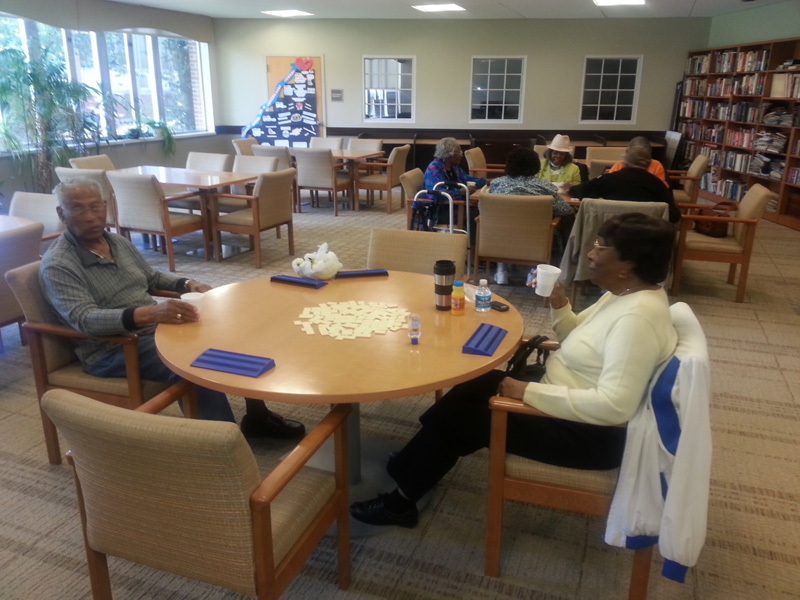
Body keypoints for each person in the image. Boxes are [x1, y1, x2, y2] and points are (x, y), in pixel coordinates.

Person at [350, 213, 677, 528]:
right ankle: (415, 460)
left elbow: (615, 405)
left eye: (600, 248)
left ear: (627, 266)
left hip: (586, 434)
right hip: (565, 401)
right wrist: (560, 303)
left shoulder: (637, 319)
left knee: (460, 420)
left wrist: (527, 392)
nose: (590, 254)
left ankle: (399, 504)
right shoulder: (625, 294)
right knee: (473, 381)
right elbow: (580, 343)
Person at [39, 178, 305, 439]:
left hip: (153, 329)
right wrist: (150, 314)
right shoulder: (59, 263)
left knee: (234, 333)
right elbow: (84, 320)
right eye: (79, 208)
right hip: (113, 348)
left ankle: (257, 418)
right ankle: (221, 449)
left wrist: (189, 284)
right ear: (61, 213)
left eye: (96, 207)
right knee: (196, 363)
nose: (91, 216)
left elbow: (151, 278)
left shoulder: (115, 241)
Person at [487, 147, 575, 284]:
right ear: (536, 165)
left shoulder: (496, 184)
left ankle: (501, 271)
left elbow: (486, 209)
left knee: (500, 225)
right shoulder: (545, 187)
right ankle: (534, 272)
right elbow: (565, 210)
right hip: (536, 239)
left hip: (499, 238)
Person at [568, 146, 681, 223]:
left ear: (624, 162)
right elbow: (674, 216)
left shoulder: (609, 179)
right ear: (649, 165)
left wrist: (568, 188)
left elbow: (577, 191)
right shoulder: (658, 184)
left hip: (611, 236)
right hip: (647, 242)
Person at [410, 137, 486, 231]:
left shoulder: (454, 167)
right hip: (439, 212)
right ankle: (472, 245)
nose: (461, 156)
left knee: (483, 210)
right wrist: (460, 193)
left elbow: (466, 178)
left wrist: (485, 181)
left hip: (454, 205)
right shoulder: (434, 170)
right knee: (475, 217)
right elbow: (436, 195)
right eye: (459, 153)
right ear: (450, 155)